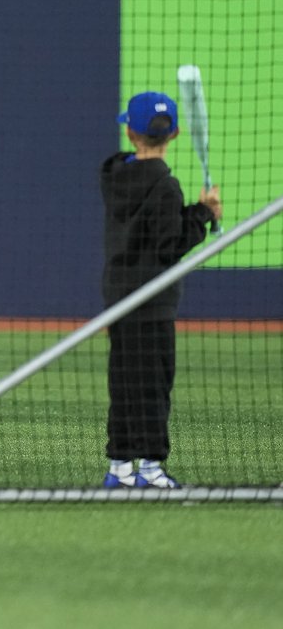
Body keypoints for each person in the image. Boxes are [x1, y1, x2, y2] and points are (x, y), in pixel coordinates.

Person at [100, 90, 222, 489]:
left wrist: (194, 213)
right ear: (176, 134)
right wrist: (203, 214)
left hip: (119, 300)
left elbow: (150, 229)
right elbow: (169, 246)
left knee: (122, 382)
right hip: (152, 305)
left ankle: (119, 465)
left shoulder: (114, 176)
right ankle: (151, 468)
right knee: (153, 385)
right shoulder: (166, 187)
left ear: (130, 133)